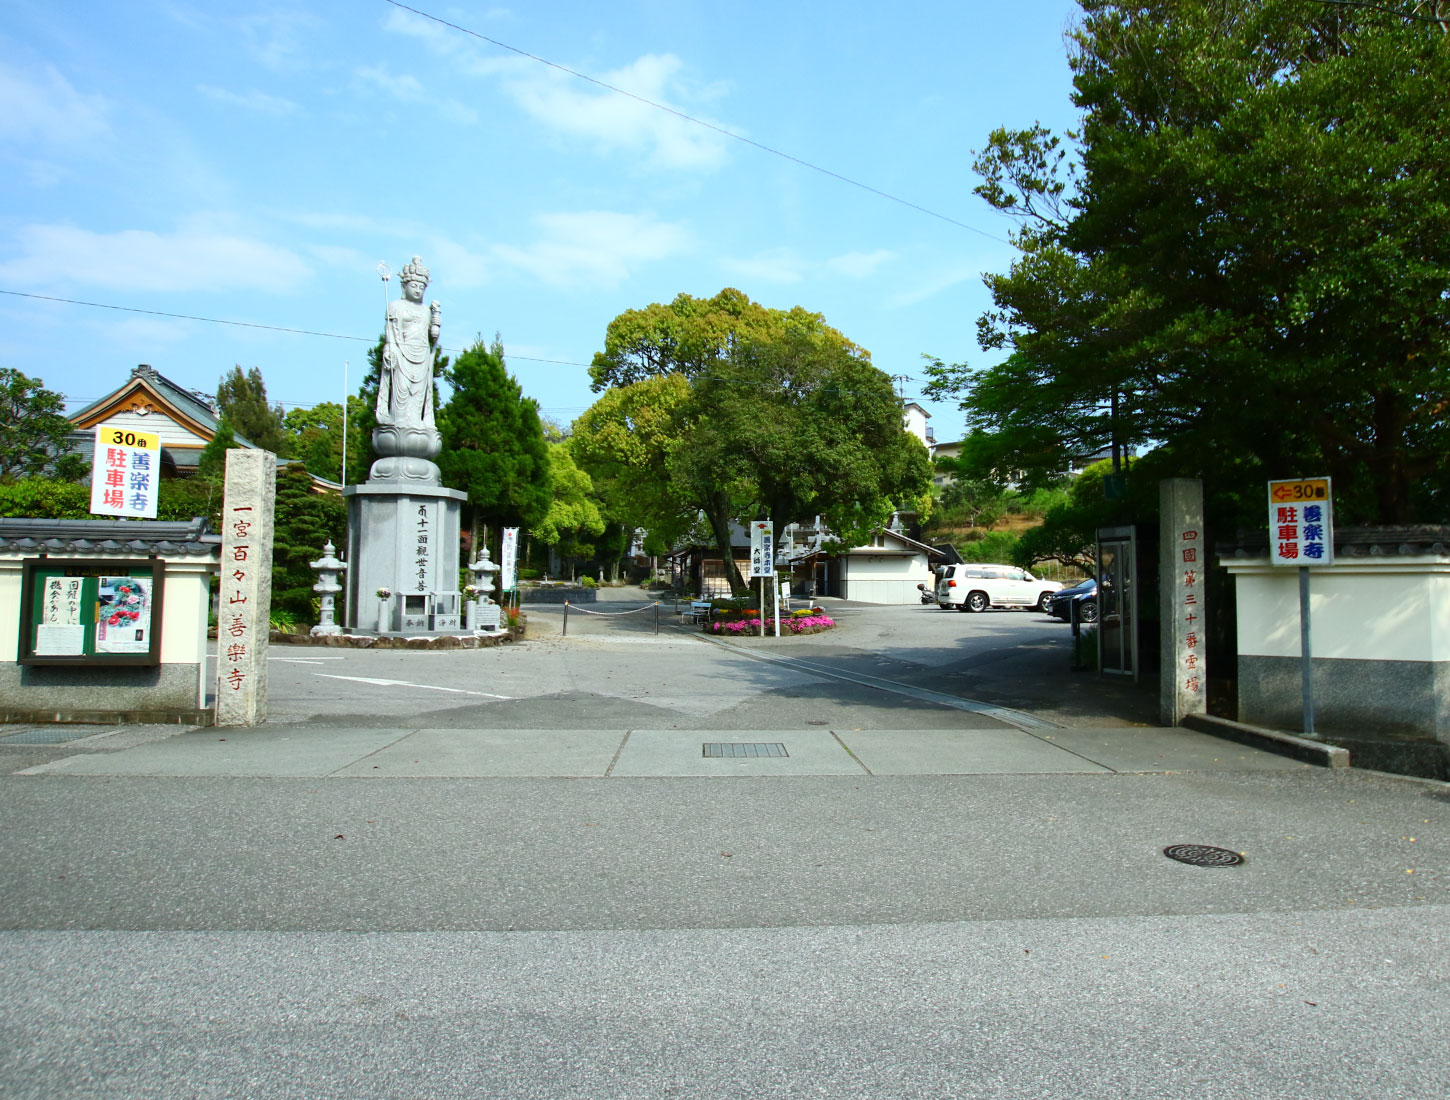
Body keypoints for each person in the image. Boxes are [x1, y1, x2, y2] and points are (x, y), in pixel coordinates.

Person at [376, 256, 441, 429]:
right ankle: (400, 424)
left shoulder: (426, 311)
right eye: (413, 285)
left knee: (419, 393)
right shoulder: (396, 306)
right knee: (402, 391)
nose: (418, 290)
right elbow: (390, 331)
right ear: (404, 286)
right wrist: (389, 348)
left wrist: (436, 326)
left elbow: (430, 338)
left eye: (421, 287)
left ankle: (417, 424)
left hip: (421, 355)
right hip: (402, 354)